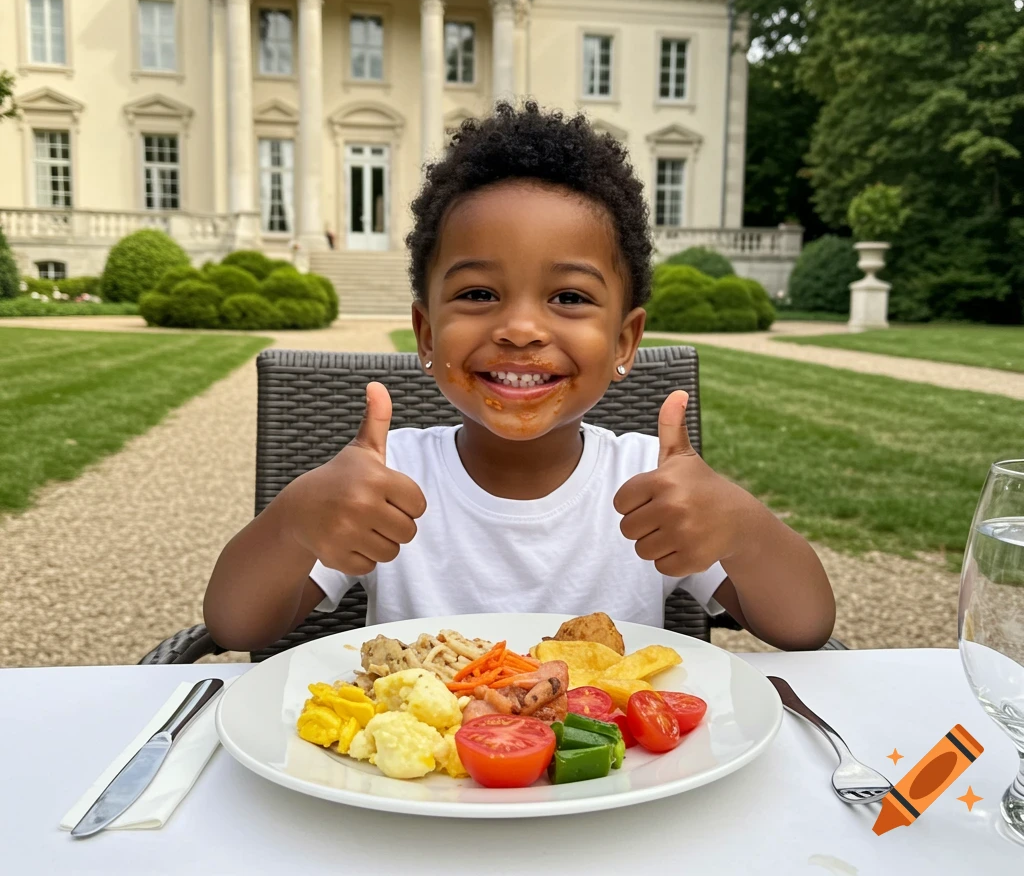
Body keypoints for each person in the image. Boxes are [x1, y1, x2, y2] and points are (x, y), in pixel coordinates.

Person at [204, 102, 835, 652]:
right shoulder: (390, 480)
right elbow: (236, 627)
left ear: (624, 341)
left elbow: (804, 626)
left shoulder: (650, 485)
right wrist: (293, 522)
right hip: (420, 784)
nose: (522, 329)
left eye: (569, 298)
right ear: (426, 334)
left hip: (612, 785)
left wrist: (742, 525)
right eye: (479, 293)